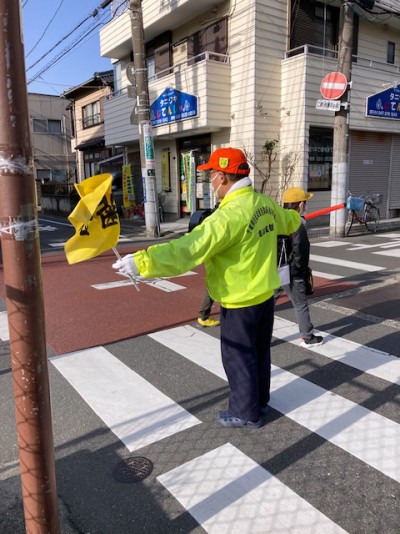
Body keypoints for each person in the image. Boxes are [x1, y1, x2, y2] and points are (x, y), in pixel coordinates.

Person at [112, 147, 300, 428]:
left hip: (239, 299)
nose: (209, 179)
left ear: (223, 177)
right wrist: (299, 218)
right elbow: (287, 221)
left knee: (239, 358)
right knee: (259, 352)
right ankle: (260, 401)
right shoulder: (263, 203)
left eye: (211, 174)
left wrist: (142, 262)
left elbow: (187, 249)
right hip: (264, 295)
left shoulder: (227, 217)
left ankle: (245, 412)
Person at [274, 187, 323, 347]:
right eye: (305, 202)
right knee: (300, 304)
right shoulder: (297, 224)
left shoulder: (277, 219)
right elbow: (300, 252)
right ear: (301, 205)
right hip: (291, 272)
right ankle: (308, 337)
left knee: (267, 304)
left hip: (276, 269)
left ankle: (258, 335)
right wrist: (299, 274)